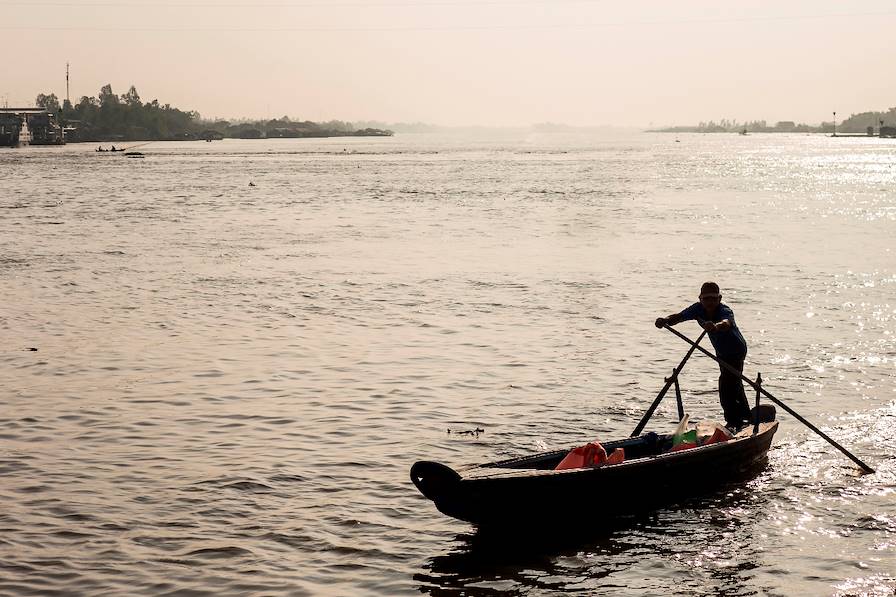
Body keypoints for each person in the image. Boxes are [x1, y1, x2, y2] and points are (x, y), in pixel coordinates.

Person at [654, 282, 751, 429]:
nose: (710, 302)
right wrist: (666, 320)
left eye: (713, 299)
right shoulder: (697, 309)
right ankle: (745, 417)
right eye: (706, 299)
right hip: (722, 352)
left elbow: (726, 323)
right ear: (700, 298)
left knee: (727, 385)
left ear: (719, 298)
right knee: (734, 382)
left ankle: (734, 422)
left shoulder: (725, 310)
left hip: (736, 350)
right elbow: (679, 317)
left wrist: (715, 326)